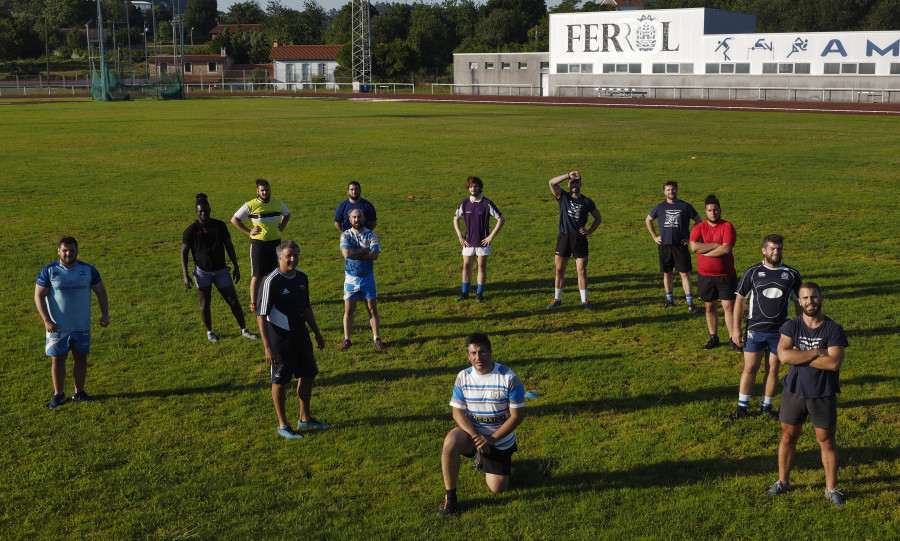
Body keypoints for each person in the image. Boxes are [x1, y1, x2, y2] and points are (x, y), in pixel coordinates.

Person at [766, 282, 848, 506]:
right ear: (799, 302)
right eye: (805, 298)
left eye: (814, 297)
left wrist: (799, 354)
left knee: (827, 441)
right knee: (788, 437)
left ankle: (831, 489)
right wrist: (816, 352)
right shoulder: (791, 326)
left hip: (823, 393)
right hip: (794, 391)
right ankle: (783, 482)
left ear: (820, 299)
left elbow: (833, 363)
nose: (810, 301)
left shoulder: (833, 329)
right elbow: (783, 357)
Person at [438, 333, 525, 516]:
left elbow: (517, 417)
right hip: (473, 435)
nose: (478, 357)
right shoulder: (463, 376)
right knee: (450, 443)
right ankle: (450, 499)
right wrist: (477, 438)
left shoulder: (509, 378)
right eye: (473, 353)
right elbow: (457, 413)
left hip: (498, 439)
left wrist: (490, 440)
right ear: (468, 355)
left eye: (482, 352)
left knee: (498, 489)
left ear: (490, 352)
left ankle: (485, 459)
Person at [256, 240, 327, 440]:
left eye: (295, 255)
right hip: (280, 340)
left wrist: (317, 333)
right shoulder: (271, 281)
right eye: (289, 256)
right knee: (280, 381)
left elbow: (306, 308)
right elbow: (261, 316)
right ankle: (283, 424)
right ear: (280, 257)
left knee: (309, 374)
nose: (293, 259)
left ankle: (305, 418)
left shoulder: (302, 277)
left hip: (301, 336)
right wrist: (267, 347)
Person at [730, 234, 802, 420]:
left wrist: (800, 331)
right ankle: (742, 407)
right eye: (772, 248)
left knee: (773, 369)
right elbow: (739, 300)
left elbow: (799, 303)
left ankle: (766, 407)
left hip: (780, 333)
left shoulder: (792, 274)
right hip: (755, 330)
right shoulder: (752, 272)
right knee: (750, 368)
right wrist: (735, 328)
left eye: (779, 249)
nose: (775, 252)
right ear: (764, 250)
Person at [34, 236, 110, 409]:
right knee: (58, 360)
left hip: (81, 325)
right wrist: (46, 320)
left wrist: (105, 314)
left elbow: (101, 292)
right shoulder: (49, 271)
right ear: (59, 251)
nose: (69, 253)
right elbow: (38, 296)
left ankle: (79, 392)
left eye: (72, 250)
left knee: (81, 359)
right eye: (65, 250)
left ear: (77, 250)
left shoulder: (88, 270)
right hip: (57, 327)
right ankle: (59, 395)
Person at [181, 193, 258, 343]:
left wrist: (236, 266)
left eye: (206, 210)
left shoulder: (219, 226)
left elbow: (229, 245)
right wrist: (185, 275)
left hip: (221, 271)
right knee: (205, 304)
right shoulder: (191, 230)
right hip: (202, 273)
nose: (204, 213)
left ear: (210, 209)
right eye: (200, 211)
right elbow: (184, 252)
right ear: (196, 212)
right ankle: (210, 332)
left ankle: (244, 329)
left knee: (233, 301)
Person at [689, 194, 742, 351]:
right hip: (705, 276)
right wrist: (715, 245)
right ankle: (714, 337)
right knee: (710, 307)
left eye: (716, 210)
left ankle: (734, 339)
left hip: (726, 275)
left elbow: (726, 249)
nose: (713, 213)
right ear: (705, 212)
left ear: (720, 210)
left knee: (729, 307)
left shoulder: (727, 227)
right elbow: (694, 247)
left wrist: (705, 251)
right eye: (710, 210)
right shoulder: (699, 228)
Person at [231, 179, 290, 313]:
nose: (265, 192)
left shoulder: (277, 203)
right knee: (257, 275)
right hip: (259, 245)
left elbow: (287, 214)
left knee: (276, 273)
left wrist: (281, 226)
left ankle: (275, 299)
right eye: (262, 190)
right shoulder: (250, 205)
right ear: (257, 191)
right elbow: (234, 219)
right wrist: (248, 232)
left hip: (276, 244)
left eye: (267, 190)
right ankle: (254, 303)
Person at [547, 170, 602, 309]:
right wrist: (568, 175)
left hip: (579, 239)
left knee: (581, 270)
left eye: (577, 182)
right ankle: (557, 299)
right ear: (568, 184)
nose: (574, 184)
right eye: (572, 182)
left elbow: (598, 217)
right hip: (564, 237)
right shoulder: (563, 197)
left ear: (581, 184)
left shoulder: (587, 201)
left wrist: (589, 231)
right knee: (559, 269)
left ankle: (585, 301)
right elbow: (551, 182)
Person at [645, 180, 702, 312]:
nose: (671, 191)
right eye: (668, 190)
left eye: (673, 189)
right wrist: (654, 236)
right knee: (667, 274)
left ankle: (690, 303)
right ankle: (670, 300)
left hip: (680, 246)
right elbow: (648, 220)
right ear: (664, 192)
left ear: (677, 190)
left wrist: (691, 238)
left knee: (684, 273)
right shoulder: (659, 207)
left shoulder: (685, 206)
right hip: (665, 246)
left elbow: (698, 221)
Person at [453, 176, 505, 302]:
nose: (473, 188)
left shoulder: (486, 203)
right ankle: (464, 293)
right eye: (470, 186)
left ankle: (479, 295)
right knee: (466, 266)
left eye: (475, 186)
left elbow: (501, 219)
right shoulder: (464, 203)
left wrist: (491, 236)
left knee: (481, 267)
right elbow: (455, 218)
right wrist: (460, 236)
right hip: (468, 242)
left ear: (480, 188)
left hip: (483, 243)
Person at [340, 209, 383, 350]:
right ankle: (347, 339)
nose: (357, 219)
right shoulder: (345, 235)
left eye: (359, 217)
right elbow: (346, 253)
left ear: (363, 218)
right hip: (351, 278)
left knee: (372, 308)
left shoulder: (371, 234)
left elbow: (375, 255)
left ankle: (376, 338)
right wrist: (365, 250)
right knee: (349, 310)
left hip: (367, 277)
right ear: (350, 220)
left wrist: (355, 253)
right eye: (354, 217)